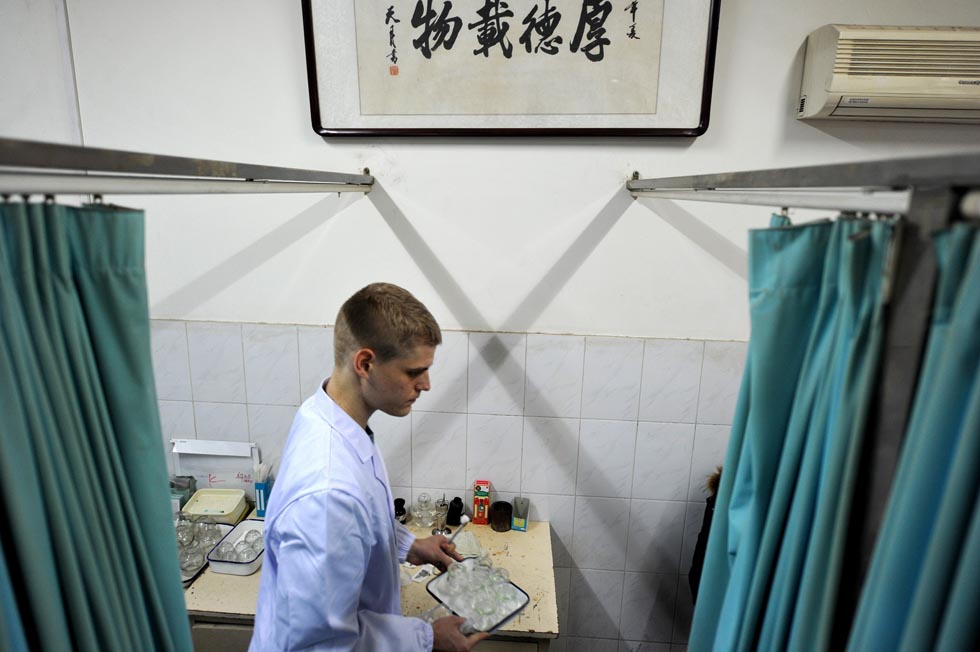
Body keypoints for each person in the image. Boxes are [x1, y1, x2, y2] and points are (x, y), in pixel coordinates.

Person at [250, 283, 489, 651]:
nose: (426, 384)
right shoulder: (328, 495)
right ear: (365, 363)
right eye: (413, 372)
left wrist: (410, 545)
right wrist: (427, 638)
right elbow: (318, 644)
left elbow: (359, 524)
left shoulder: (327, 414)